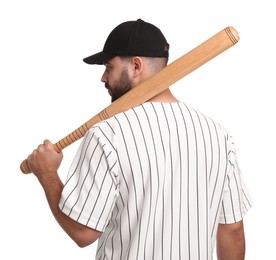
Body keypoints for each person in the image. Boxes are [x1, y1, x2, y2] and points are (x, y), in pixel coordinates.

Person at [27, 19, 253, 260]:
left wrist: (47, 174)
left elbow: (83, 231)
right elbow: (232, 229)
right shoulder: (217, 135)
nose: (103, 78)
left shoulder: (106, 134)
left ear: (136, 66)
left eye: (108, 66)